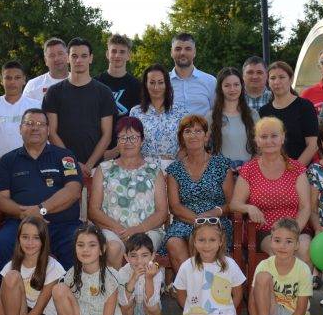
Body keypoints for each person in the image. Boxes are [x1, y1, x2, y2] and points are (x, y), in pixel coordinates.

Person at [0, 109, 84, 280]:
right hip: (20, 224)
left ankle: (65, 294)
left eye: (40, 124)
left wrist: (40, 210)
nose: (35, 128)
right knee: (1, 245)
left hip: (62, 225)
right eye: (29, 123)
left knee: (77, 244)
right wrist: (24, 214)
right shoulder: (7, 160)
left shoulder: (65, 156)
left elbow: (73, 191)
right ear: (20, 129)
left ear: (48, 130)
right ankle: (12, 293)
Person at [230, 117, 314, 273]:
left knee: (304, 248)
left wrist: (293, 232)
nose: (269, 141)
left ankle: (303, 288)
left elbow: (305, 207)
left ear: (282, 138)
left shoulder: (296, 168)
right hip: (265, 229)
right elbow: (235, 203)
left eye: (274, 136)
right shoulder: (249, 169)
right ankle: (278, 288)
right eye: (264, 136)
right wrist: (249, 208)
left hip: (296, 226)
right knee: (278, 249)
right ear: (257, 141)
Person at [88, 116, 168, 267]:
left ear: (142, 141)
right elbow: (94, 209)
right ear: (117, 142)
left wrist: (136, 230)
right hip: (112, 230)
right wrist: (118, 229)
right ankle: (116, 283)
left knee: (142, 250)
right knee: (112, 247)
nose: (128, 142)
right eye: (123, 138)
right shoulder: (104, 169)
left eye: (133, 137)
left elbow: (162, 212)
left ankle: (141, 284)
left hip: (148, 230)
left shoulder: (154, 171)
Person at [163, 115, 234, 272]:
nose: (193, 135)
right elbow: (175, 206)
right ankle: (192, 284)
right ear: (181, 138)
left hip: (216, 220)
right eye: (188, 131)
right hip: (185, 220)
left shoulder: (222, 165)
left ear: (206, 136)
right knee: (173, 241)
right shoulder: (174, 169)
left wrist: (214, 213)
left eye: (198, 131)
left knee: (202, 238)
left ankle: (206, 283)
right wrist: (198, 221)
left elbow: (231, 204)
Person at [52, 225, 130, 315]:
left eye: (92, 245)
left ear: (102, 249)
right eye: (80, 245)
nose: (85, 250)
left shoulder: (110, 277)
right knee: (58, 289)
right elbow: (61, 311)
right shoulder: (71, 274)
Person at [43, 37, 116, 177]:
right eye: (74, 56)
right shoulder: (54, 92)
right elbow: (51, 133)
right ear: (67, 58)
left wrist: (88, 165)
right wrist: (72, 163)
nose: (79, 60)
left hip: (95, 168)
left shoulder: (104, 92)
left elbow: (107, 135)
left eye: (84, 56)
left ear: (91, 58)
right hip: (62, 165)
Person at [173, 219, 246, 315]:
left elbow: (238, 293)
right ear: (194, 241)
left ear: (220, 241)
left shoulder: (230, 264)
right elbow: (181, 295)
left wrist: (228, 310)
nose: (207, 245)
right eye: (201, 240)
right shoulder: (187, 266)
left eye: (212, 240)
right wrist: (191, 310)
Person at [0, 217, 65, 315]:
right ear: (18, 239)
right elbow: (0, 304)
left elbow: (39, 308)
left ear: (43, 240)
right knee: (12, 276)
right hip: (21, 313)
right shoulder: (11, 265)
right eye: (25, 237)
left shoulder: (53, 267)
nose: (30, 242)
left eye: (36, 238)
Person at [249, 218, 312, 315]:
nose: (282, 246)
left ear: (297, 245)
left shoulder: (303, 269)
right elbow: (252, 303)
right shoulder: (264, 265)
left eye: (288, 241)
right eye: (277, 240)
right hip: (269, 313)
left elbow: (301, 309)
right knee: (263, 276)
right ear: (271, 241)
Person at [0, 61, 42, 164]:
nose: (12, 82)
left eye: (17, 78)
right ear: (1, 80)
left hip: (31, 165)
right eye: (8, 78)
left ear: (24, 79)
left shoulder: (36, 105)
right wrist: (1, 165)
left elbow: (43, 137)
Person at [116, 233, 172, 315]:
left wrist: (149, 278)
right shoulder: (122, 272)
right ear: (126, 257)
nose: (139, 260)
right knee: (126, 303)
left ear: (152, 256)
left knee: (153, 305)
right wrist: (133, 278)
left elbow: (151, 301)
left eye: (144, 255)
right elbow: (123, 301)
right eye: (133, 256)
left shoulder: (155, 272)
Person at [259, 61, 319, 165]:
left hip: (300, 170)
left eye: (282, 77)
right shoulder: (264, 111)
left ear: (291, 80)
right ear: (268, 82)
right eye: (272, 78)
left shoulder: (305, 106)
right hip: (272, 170)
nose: (277, 82)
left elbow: (313, 145)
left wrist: (295, 170)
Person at [129, 63, 187, 167]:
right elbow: (132, 144)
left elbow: (187, 142)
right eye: (152, 82)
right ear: (146, 84)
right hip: (144, 168)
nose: (156, 87)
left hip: (174, 167)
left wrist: (176, 165)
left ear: (167, 84)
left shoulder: (180, 111)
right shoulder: (135, 112)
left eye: (160, 82)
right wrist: (143, 166)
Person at [207, 67, 257, 169]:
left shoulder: (253, 114)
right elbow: (204, 147)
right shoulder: (211, 117)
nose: (232, 89)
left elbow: (260, 146)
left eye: (236, 84)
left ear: (242, 86)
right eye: (227, 85)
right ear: (220, 88)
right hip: (222, 172)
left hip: (249, 171)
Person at [95, 33, 142, 129]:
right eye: (114, 51)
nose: (117, 55)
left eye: (122, 52)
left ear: (129, 55)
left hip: (127, 136)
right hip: (99, 137)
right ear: (107, 54)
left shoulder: (138, 86)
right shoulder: (95, 83)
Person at [168, 33, 216, 116]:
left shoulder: (210, 81)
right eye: (178, 49)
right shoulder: (162, 82)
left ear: (194, 52)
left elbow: (216, 112)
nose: (182, 53)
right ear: (171, 52)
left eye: (188, 49)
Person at [23, 37, 69, 102]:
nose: (57, 58)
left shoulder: (81, 82)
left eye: (60, 53)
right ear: (45, 60)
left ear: (67, 57)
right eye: (52, 55)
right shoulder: (33, 86)